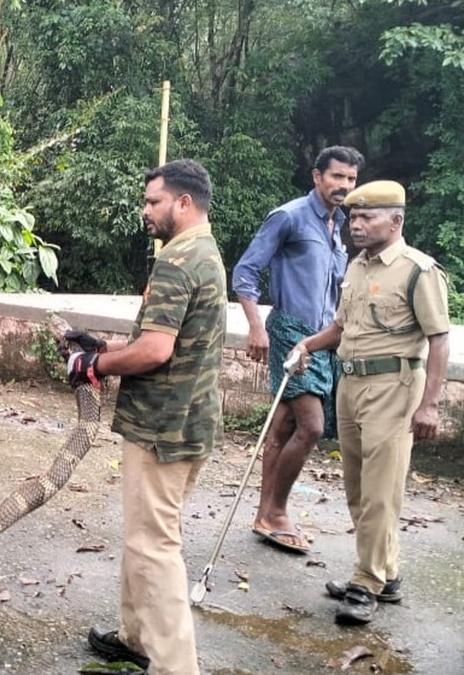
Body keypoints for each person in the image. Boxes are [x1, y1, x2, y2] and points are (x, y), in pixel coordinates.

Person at [67, 159, 225, 674]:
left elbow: (156, 351)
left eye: (153, 201)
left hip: (163, 427)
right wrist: (105, 346)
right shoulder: (203, 251)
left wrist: (94, 364)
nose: (145, 211)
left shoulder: (178, 261)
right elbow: (167, 343)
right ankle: (135, 637)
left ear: (183, 202)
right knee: (145, 534)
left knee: (154, 545)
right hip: (187, 420)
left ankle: (177, 666)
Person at [288, 180, 449, 625]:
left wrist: (430, 404)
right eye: (352, 218)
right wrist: (307, 345)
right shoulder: (357, 266)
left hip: (393, 390)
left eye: (366, 217)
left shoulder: (418, 270)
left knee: (381, 491)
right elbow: (341, 327)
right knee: (358, 487)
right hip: (351, 385)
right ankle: (386, 573)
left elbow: (438, 340)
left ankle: (366, 582)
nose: (354, 225)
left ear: (396, 221)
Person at [232, 145, 363, 554]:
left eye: (351, 179)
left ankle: (264, 513)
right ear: (317, 176)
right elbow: (246, 271)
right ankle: (279, 511)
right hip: (290, 331)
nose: (344, 186)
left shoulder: (338, 226)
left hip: (323, 338)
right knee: (312, 427)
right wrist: (256, 327)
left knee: (284, 428)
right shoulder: (288, 216)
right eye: (337, 176)